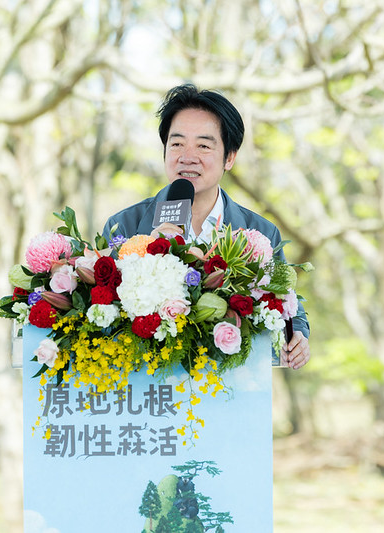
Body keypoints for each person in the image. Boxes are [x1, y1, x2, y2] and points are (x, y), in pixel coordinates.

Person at [102, 84, 311, 370]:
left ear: (229, 157)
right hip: (147, 382)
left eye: (203, 145)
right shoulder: (124, 226)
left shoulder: (260, 233)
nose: (187, 156)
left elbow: (286, 304)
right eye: (177, 144)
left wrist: (297, 335)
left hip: (229, 382)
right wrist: (146, 256)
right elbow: (101, 314)